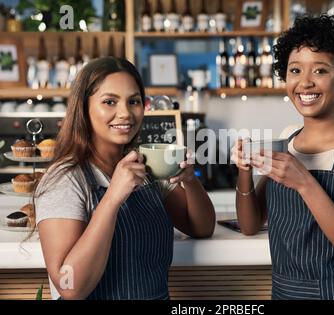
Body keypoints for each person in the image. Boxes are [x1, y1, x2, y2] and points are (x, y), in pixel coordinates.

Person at [232, 15, 334, 300]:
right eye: (295, 70)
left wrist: (305, 183)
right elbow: (250, 225)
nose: (304, 83)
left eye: (320, 71)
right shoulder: (287, 138)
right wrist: (244, 171)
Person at [34, 57, 215, 300]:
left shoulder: (147, 165)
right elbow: (70, 287)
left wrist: (190, 181)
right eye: (109, 102)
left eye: (134, 101)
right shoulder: (65, 179)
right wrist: (112, 198)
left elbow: (201, 228)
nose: (125, 113)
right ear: (84, 108)